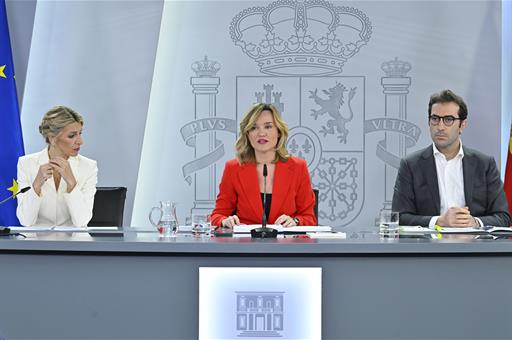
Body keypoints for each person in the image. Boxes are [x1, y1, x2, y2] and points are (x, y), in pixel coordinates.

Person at [392, 89, 511, 228]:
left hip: (474, 247)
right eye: (435, 119)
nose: (440, 127)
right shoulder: (411, 165)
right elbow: (399, 216)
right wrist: (438, 221)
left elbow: (503, 217)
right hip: (428, 247)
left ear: (462, 125)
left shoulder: (484, 164)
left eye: (448, 120)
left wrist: (475, 222)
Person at [211, 103, 316, 227]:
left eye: (268, 127)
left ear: (278, 132)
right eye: (254, 128)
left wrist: (296, 221)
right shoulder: (233, 168)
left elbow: (309, 218)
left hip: (286, 244)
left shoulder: (298, 167)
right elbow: (218, 215)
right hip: (245, 244)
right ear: (248, 134)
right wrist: (224, 221)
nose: (261, 133)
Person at [16, 106, 98, 227]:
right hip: (36, 244)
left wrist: (71, 183)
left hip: (74, 244)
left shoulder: (89, 167)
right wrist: (36, 185)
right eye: (72, 136)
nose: (80, 141)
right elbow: (25, 221)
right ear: (52, 138)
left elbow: (82, 222)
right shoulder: (26, 164)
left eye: (80, 134)